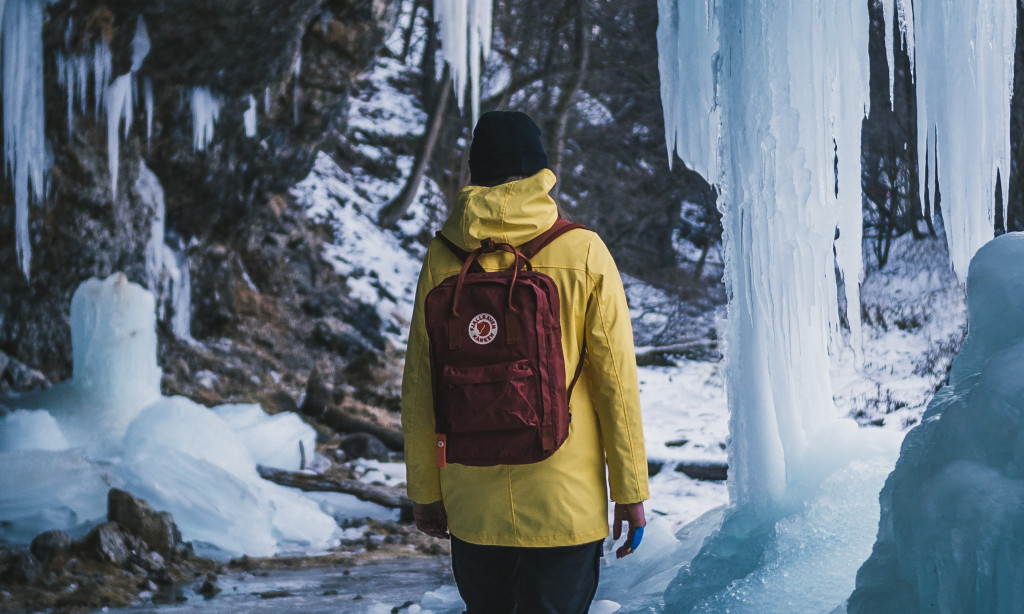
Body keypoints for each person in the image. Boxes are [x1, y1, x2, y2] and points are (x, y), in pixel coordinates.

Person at [401, 110, 649, 614]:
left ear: (475, 171)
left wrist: (425, 490)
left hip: (473, 504)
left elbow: (421, 384)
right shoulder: (582, 250)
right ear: (541, 171)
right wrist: (630, 490)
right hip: (565, 500)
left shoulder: (444, 256)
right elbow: (615, 384)